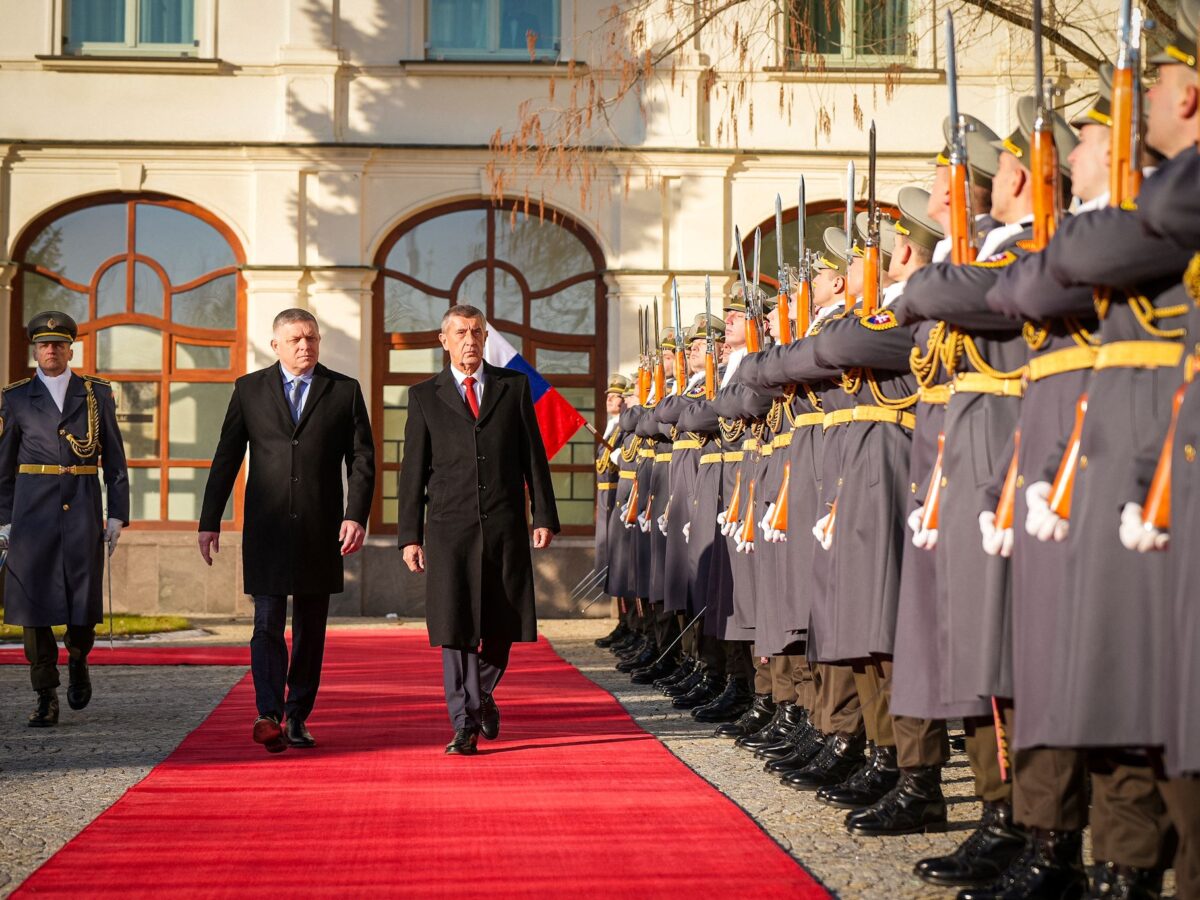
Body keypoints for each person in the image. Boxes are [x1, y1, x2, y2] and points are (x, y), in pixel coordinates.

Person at [198, 308, 375, 754]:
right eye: (295, 339)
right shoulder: (249, 389)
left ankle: (297, 716)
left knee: (311, 630)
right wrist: (209, 520)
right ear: (275, 345)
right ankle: (268, 714)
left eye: (311, 338)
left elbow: (362, 460)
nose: (305, 346)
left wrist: (355, 515)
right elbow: (227, 456)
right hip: (267, 528)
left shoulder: (344, 390)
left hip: (322, 528)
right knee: (267, 623)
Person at [396, 304, 559, 756]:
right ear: (443, 340)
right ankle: (463, 725)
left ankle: (481, 690)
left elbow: (532, 456)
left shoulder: (513, 387)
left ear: (486, 338)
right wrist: (410, 536)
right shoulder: (424, 396)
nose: (470, 340)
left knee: (503, 621)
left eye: (477, 332)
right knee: (456, 625)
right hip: (450, 529)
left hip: (504, 524)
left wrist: (544, 515)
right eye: (461, 333)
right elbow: (412, 472)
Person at [0, 311, 128, 727]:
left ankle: (78, 657)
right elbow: (3, 468)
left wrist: (117, 515)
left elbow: (115, 460)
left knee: (81, 598)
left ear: (71, 349)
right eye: (44, 344)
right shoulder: (16, 398)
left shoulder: (95, 394)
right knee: (33, 605)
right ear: (35, 350)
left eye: (58, 344)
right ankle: (45, 695)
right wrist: (3, 521)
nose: (51, 350)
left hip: (82, 508)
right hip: (30, 515)